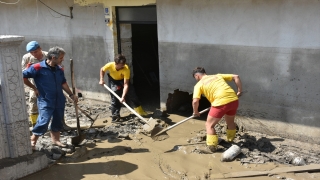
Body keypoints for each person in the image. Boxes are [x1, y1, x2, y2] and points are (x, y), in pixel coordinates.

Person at [23, 46, 78, 149]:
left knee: (58, 119)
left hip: (59, 99)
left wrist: (71, 94)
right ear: (53, 57)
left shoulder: (59, 69)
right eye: (61, 58)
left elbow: (63, 83)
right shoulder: (37, 67)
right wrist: (34, 88)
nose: (62, 60)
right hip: (45, 100)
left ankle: (56, 140)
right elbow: (23, 76)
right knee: (44, 120)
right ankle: (33, 141)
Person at [191, 67, 242, 152]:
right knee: (230, 122)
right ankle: (230, 140)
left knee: (209, 125)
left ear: (197, 75)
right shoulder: (217, 76)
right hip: (234, 100)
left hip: (220, 103)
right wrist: (239, 91)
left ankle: (212, 147)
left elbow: (195, 101)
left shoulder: (199, 85)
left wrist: (195, 112)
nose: (195, 79)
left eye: (195, 77)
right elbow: (236, 76)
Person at [99, 54, 148, 122]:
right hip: (113, 81)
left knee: (132, 94)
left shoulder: (126, 68)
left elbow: (126, 84)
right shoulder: (110, 65)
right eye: (121, 65)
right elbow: (102, 69)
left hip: (123, 80)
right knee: (115, 98)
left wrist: (123, 96)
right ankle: (115, 116)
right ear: (116, 63)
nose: (123, 66)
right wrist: (101, 79)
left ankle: (140, 111)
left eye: (123, 64)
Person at [21, 41, 47, 127]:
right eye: (31, 52)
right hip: (35, 84)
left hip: (48, 83)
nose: (33, 54)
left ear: (40, 49)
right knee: (33, 103)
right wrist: (34, 88)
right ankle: (35, 124)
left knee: (54, 103)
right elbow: (23, 74)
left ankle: (56, 124)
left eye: (35, 51)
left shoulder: (48, 56)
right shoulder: (27, 58)